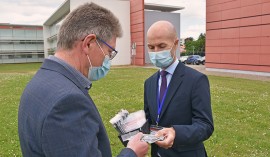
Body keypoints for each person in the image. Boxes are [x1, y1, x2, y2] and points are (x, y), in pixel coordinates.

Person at [18, 3, 148, 157]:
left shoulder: (41, 80)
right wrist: (131, 152)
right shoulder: (67, 102)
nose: (107, 61)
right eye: (109, 52)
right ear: (88, 43)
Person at [144, 20, 214, 157]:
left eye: (161, 46)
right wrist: (131, 127)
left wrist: (176, 133)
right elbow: (149, 120)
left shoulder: (196, 80)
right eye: (151, 47)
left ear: (175, 44)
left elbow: (205, 125)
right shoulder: (149, 83)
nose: (156, 52)